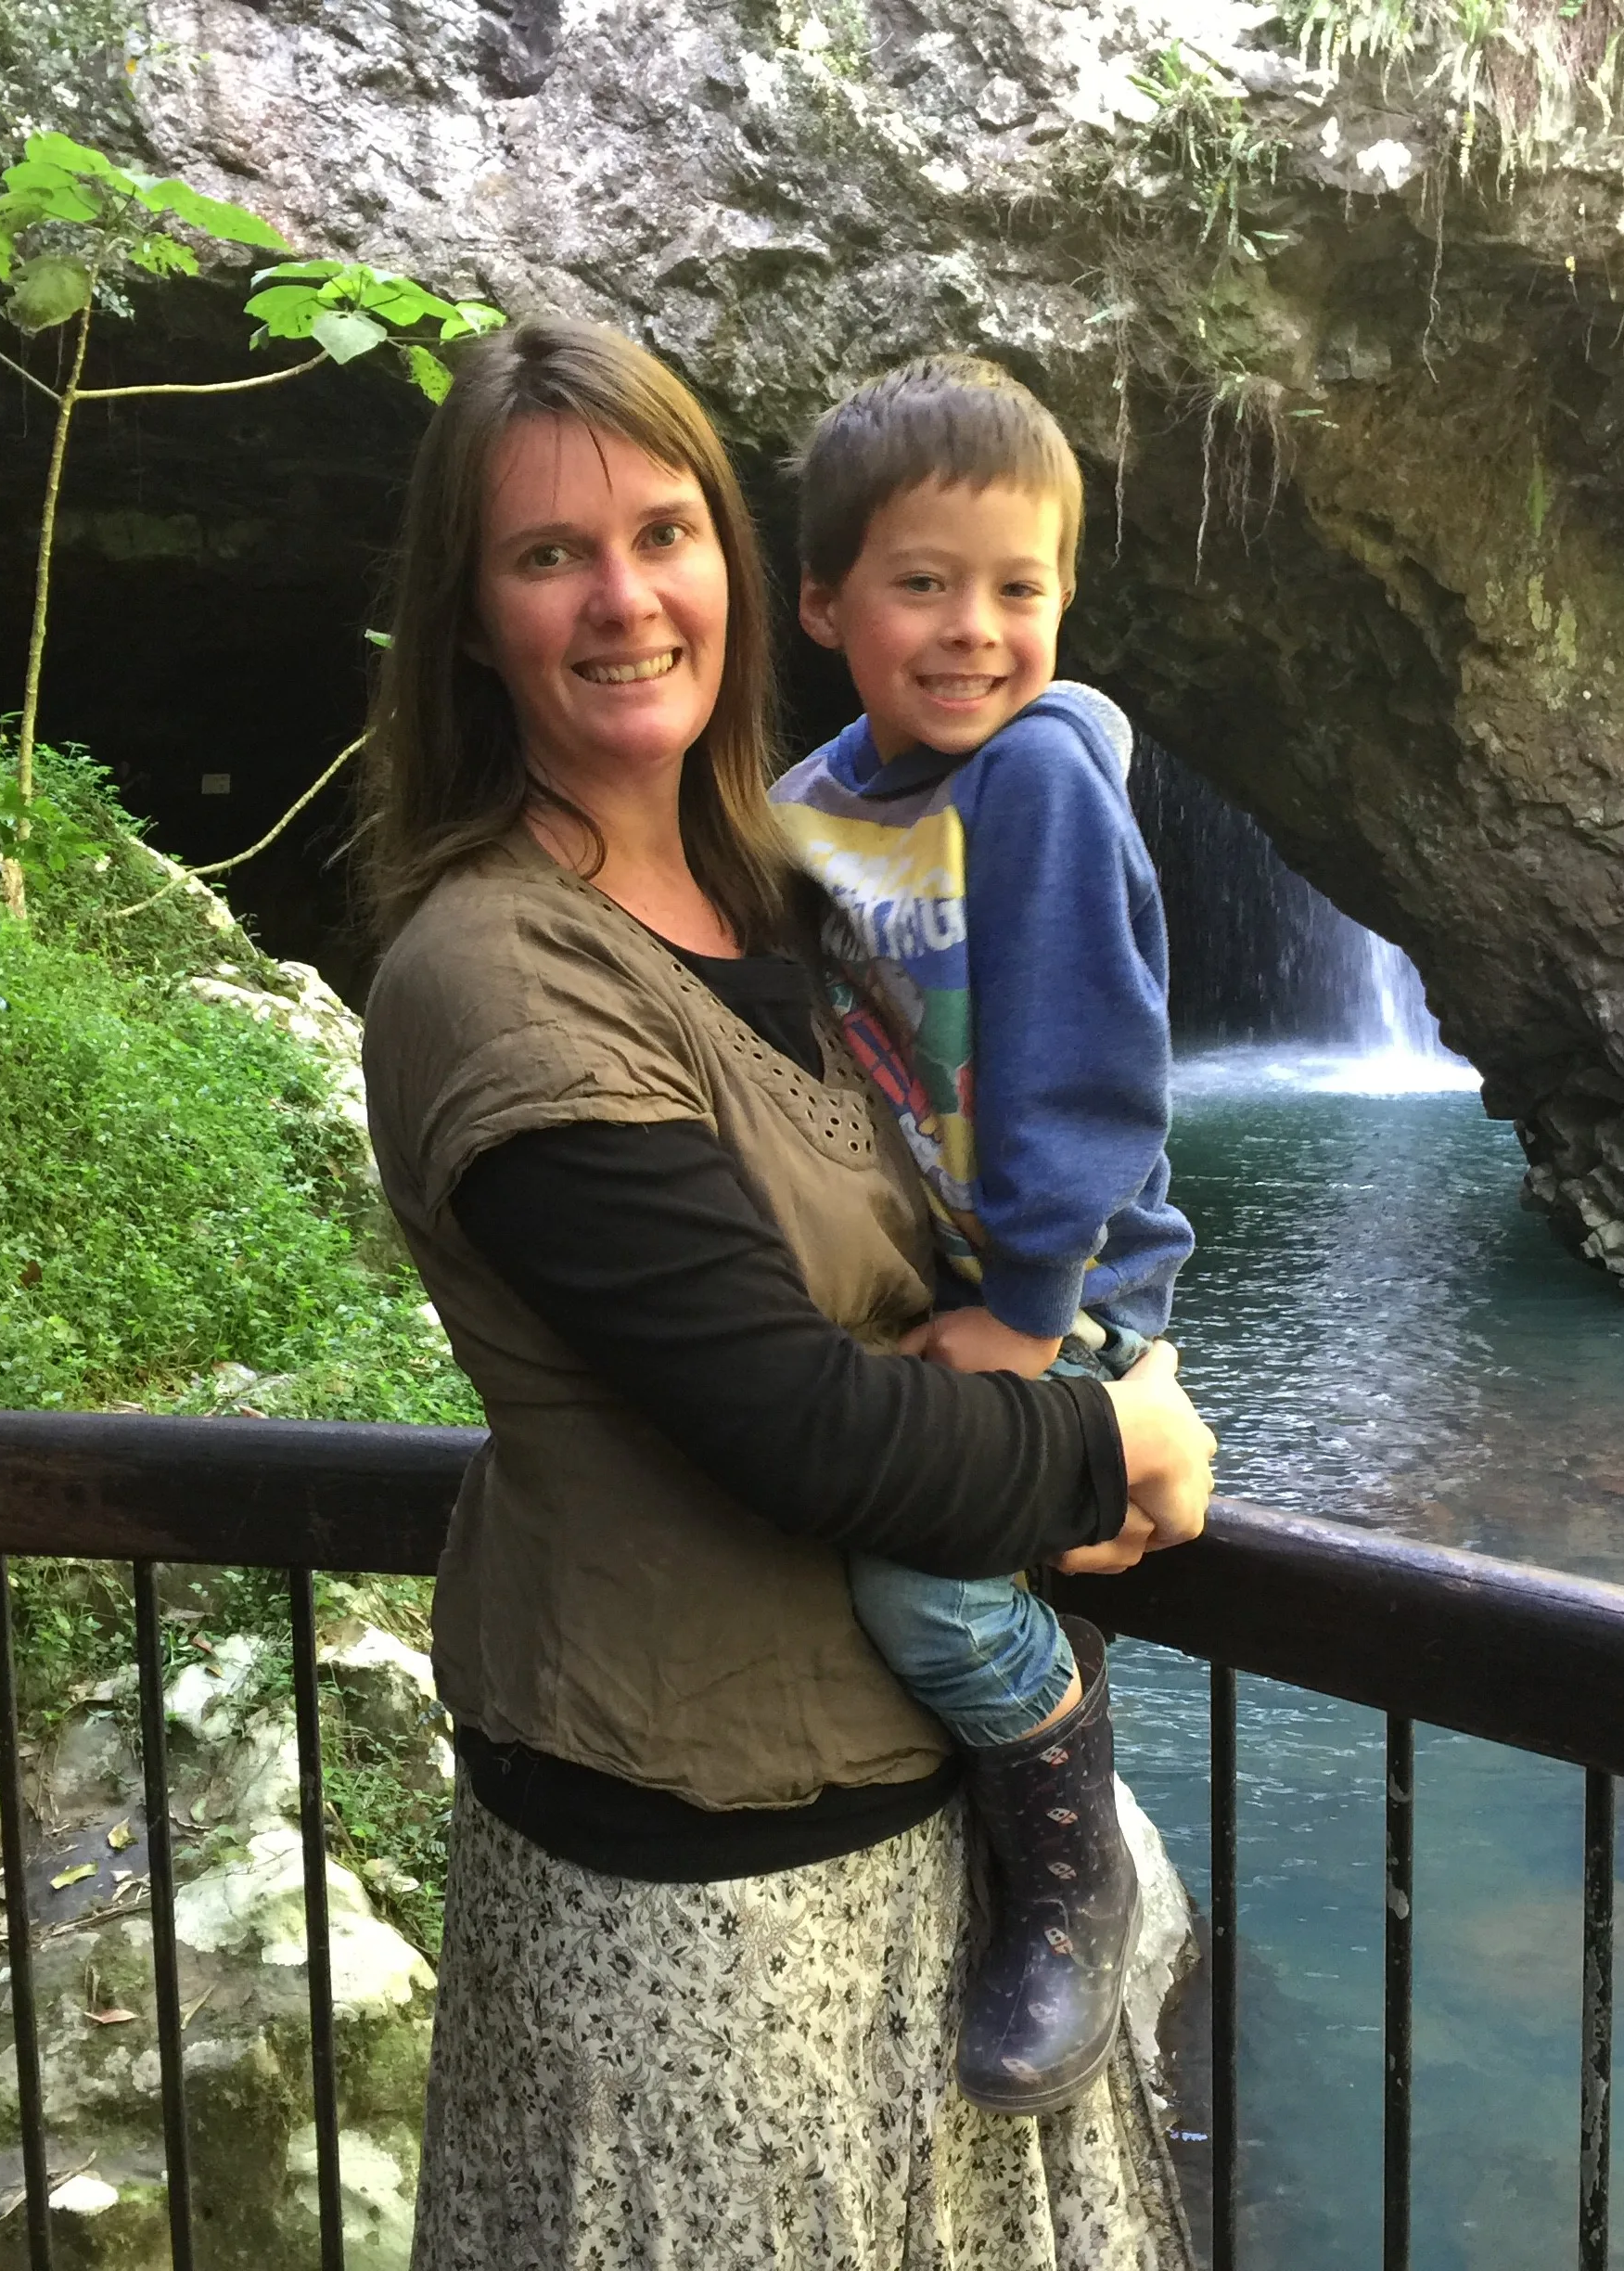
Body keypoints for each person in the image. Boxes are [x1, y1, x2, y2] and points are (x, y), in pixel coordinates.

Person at [355, 314, 1216, 2267]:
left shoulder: (798, 883)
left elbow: (1046, 1105)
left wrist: (1090, 1333)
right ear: (471, 615)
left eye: (663, 532)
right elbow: (795, 1424)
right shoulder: (503, 968)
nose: (623, 597)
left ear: (739, 572)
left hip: (907, 1850)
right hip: (697, 1883)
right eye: (546, 554)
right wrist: (1112, 1437)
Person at [772, 354, 1192, 2113]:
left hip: (1058, 1284)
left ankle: (1073, 1859)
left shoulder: (1035, 784)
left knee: (913, 1581)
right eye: (922, 583)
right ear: (824, 604)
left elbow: (1088, 1067)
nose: (972, 630)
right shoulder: (811, 802)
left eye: (1018, 589)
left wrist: (1032, 1318)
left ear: (1065, 601)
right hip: (927, 1279)